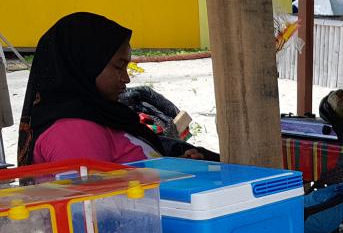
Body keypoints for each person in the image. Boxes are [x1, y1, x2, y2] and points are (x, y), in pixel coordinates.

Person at [17, 12, 206, 166]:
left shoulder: (99, 114)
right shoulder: (74, 130)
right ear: (85, 64)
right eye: (118, 66)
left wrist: (176, 167)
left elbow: (127, 176)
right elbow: (97, 206)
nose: (126, 78)